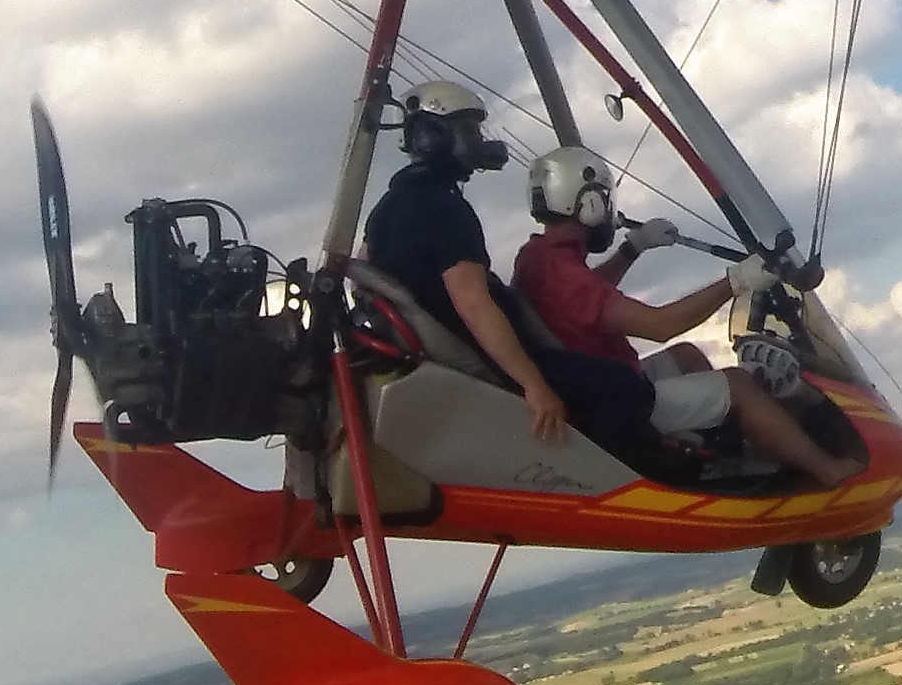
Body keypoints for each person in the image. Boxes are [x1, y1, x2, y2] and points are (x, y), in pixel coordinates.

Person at [510, 144, 865, 487]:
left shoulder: (538, 256)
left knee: (687, 356)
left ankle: (749, 449)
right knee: (739, 386)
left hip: (591, 383)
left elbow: (583, 294)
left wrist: (632, 249)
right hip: (618, 403)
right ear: (586, 204)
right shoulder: (565, 275)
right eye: (602, 198)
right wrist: (736, 281)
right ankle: (829, 470)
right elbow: (661, 326)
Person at [359, 82, 659, 455]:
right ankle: (647, 486)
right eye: (467, 130)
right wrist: (534, 385)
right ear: (430, 139)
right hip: (487, 357)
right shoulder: (444, 210)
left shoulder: (387, 209)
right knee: (624, 387)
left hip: (453, 350)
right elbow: (474, 303)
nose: (478, 140)